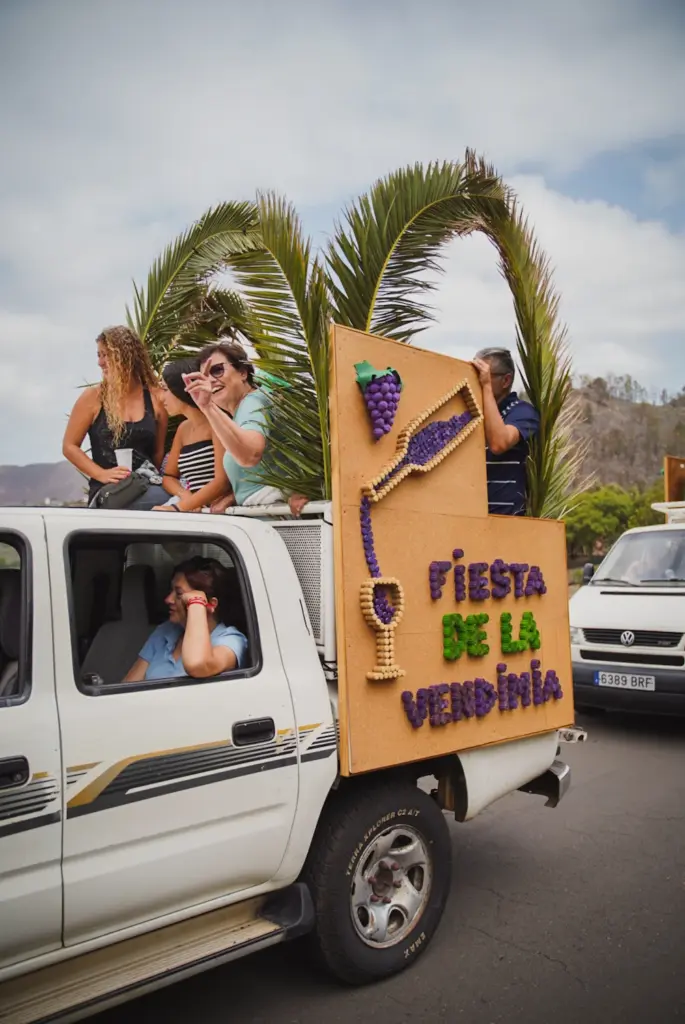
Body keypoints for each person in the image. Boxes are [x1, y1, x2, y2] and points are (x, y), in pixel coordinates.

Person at [63, 325, 169, 508]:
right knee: (165, 503)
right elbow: (69, 446)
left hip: (147, 484)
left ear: (126, 357)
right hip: (108, 492)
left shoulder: (156, 398)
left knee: (170, 502)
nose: (100, 362)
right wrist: (101, 474)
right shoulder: (93, 397)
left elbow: (158, 453)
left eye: (106, 355)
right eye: (99, 355)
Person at [182, 340, 284, 507]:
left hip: (273, 513)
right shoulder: (242, 411)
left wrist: (208, 407)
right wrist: (232, 498)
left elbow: (250, 454)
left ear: (243, 372)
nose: (210, 381)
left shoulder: (252, 402)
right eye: (204, 376)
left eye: (217, 370)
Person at [123, 556, 248, 681]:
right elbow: (130, 685)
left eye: (179, 594)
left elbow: (198, 665)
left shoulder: (231, 640)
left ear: (211, 604)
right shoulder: (165, 631)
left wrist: (196, 602)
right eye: (171, 591)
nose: (168, 600)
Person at [152, 357, 234, 512]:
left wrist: (179, 507)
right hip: (193, 508)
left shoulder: (216, 423)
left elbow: (222, 482)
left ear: (183, 389)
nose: (162, 398)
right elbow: (169, 477)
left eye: (166, 389)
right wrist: (185, 496)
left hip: (217, 510)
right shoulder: (183, 429)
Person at [472, 347, 540, 516]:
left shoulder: (523, 412)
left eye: (482, 375)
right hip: (473, 517)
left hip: (508, 520)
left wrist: (486, 387)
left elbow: (499, 443)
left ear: (506, 380)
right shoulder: (472, 413)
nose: (476, 380)